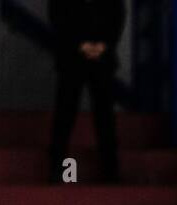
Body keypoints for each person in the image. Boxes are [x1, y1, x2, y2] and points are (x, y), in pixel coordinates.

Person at [48, 0, 124, 183]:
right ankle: (57, 167)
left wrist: (103, 45)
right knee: (66, 113)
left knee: (103, 115)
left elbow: (118, 14)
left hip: (94, 58)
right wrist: (85, 45)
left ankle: (109, 170)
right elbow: (57, 15)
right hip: (73, 57)